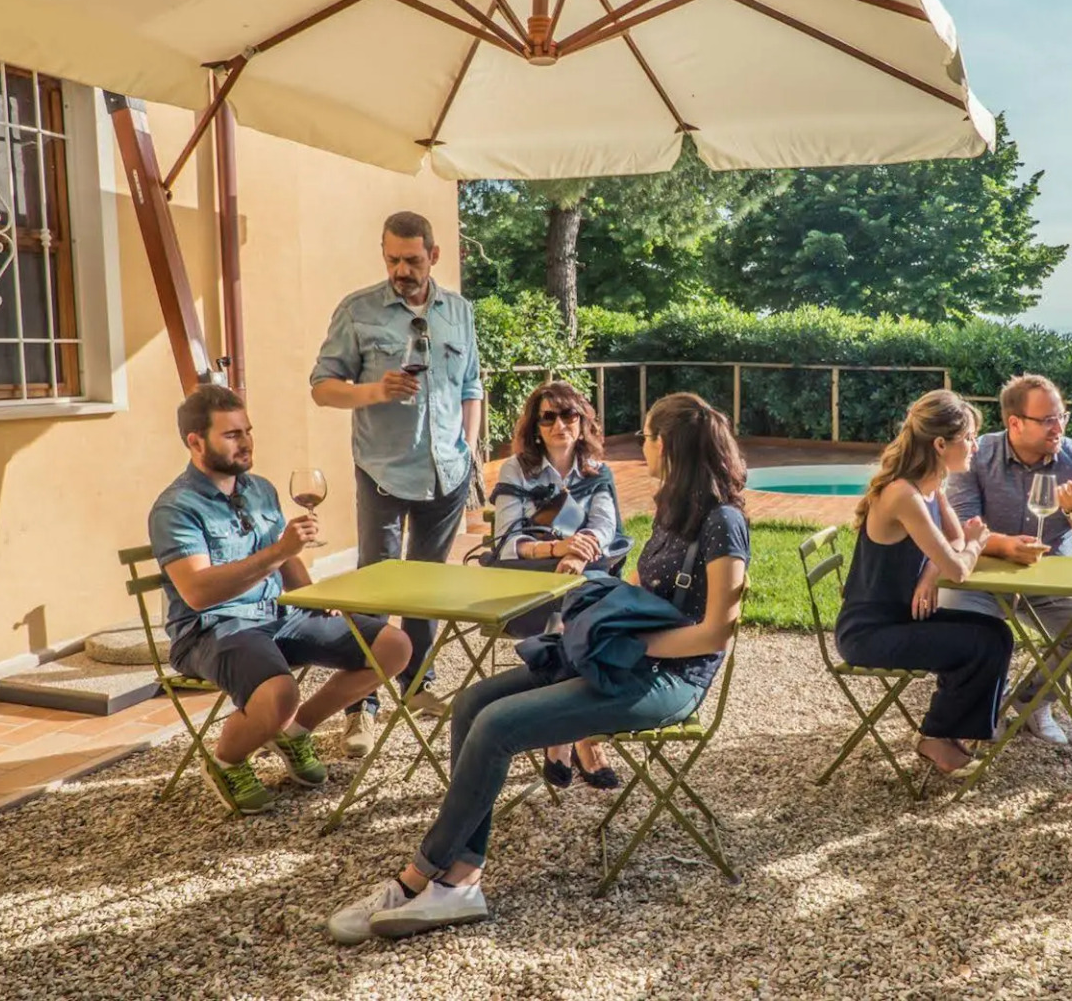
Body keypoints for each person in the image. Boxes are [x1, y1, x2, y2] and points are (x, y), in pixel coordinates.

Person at [326, 393, 749, 943]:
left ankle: (416, 878)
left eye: (646, 436)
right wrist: (595, 622)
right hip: (618, 658)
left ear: (666, 445)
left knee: (498, 727)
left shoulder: (724, 523)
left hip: (668, 679)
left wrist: (633, 647)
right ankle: (462, 876)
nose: (641, 445)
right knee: (473, 702)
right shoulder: (675, 509)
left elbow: (717, 631)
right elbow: (641, 589)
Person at [149, 385, 412, 815]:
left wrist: (315, 597)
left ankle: (294, 731)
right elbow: (198, 593)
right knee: (278, 693)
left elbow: (287, 563)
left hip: (279, 614)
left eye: (248, 431)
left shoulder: (261, 490)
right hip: (216, 628)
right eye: (232, 434)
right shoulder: (176, 508)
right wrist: (278, 550)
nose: (247, 441)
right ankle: (227, 761)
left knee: (392, 646)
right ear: (195, 442)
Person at [310, 211, 484, 756]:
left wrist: (470, 450)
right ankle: (360, 705)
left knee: (427, 586)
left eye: (411, 259)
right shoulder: (358, 310)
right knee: (376, 587)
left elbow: (472, 386)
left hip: (447, 473)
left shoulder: (458, 311)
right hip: (383, 471)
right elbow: (322, 387)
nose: (401, 269)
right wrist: (372, 392)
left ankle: (416, 684)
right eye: (392, 259)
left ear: (434, 255)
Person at [835, 390, 1014, 776]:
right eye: (967, 437)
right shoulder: (904, 494)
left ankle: (950, 733)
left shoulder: (932, 487)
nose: (974, 445)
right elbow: (961, 564)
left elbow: (952, 547)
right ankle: (936, 737)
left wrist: (932, 573)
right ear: (939, 444)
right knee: (979, 643)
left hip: (903, 618)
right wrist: (975, 544)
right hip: (870, 632)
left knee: (997, 633)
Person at [941, 374, 1072, 746]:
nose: (1059, 428)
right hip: (982, 579)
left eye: (1062, 417)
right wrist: (1004, 546)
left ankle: (1028, 701)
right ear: (1015, 423)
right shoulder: (978, 454)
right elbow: (959, 528)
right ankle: (976, 708)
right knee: (964, 629)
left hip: (1050, 584)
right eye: (1048, 420)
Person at [488, 380, 629, 790]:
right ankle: (586, 738)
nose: (559, 425)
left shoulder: (596, 472)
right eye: (547, 417)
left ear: (583, 422)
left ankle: (561, 738)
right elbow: (507, 541)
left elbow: (603, 526)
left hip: (577, 577)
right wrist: (557, 549)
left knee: (575, 615)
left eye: (569, 415)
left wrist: (576, 554)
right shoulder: (517, 469)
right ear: (536, 426)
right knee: (582, 620)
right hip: (525, 588)